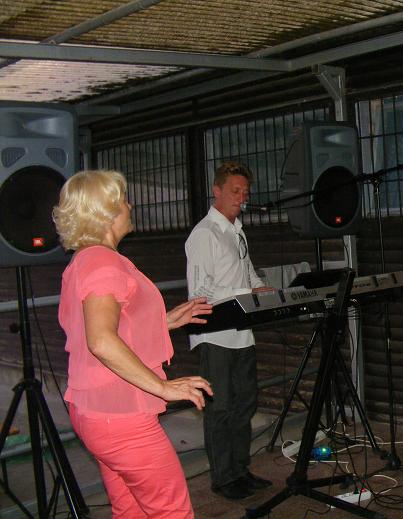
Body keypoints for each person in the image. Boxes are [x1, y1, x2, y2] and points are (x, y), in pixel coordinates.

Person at [53, 169, 213, 519]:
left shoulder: (87, 259)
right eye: (123, 200)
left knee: (130, 510)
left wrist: (164, 321)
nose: (130, 206)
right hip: (120, 419)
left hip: (98, 412)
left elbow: (107, 326)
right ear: (107, 212)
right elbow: (100, 340)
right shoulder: (103, 262)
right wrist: (163, 387)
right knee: (172, 512)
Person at [186, 161, 273, 500]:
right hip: (216, 335)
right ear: (217, 191)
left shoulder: (237, 230)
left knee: (244, 404)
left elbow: (246, 272)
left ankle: (240, 469)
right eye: (235, 191)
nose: (242, 197)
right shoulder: (204, 234)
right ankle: (222, 478)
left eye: (245, 192)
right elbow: (200, 293)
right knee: (220, 408)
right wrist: (245, 292)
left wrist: (260, 288)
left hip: (242, 331)